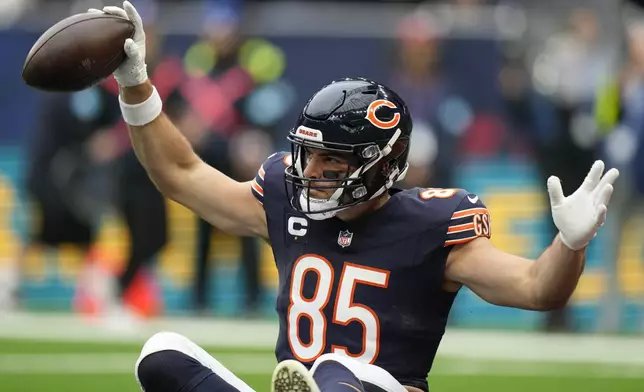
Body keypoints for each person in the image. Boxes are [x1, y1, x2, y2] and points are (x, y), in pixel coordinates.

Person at [92, 3, 619, 392]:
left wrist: (570, 244)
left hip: (373, 387)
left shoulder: (432, 224)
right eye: (308, 155)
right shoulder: (284, 197)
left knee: (337, 372)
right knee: (160, 356)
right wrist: (135, 83)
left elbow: (536, 289)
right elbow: (180, 173)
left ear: (381, 165)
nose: (311, 172)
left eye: (332, 161)